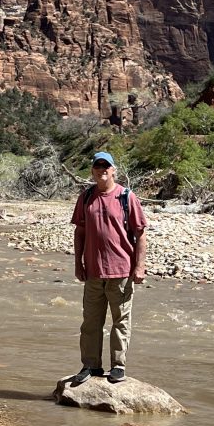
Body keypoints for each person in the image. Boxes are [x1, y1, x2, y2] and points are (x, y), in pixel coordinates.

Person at [70, 151, 147, 386]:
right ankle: (90, 365)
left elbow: (140, 233)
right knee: (90, 322)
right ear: (92, 171)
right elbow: (80, 232)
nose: (102, 169)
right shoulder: (85, 198)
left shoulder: (126, 197)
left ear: (114, 170)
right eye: (98, 166)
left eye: (106, 166)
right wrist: (78, 263)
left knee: (120, 321)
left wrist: (140, 267)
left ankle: (118, 366)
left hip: (121, 270)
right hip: (93, 271)